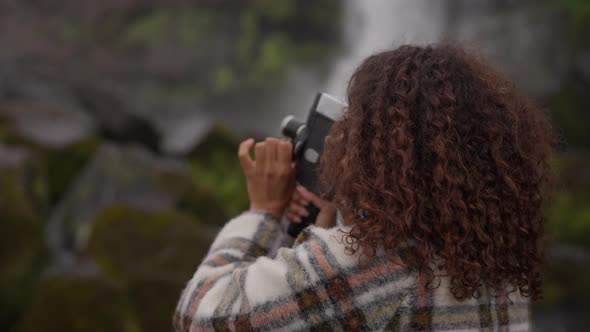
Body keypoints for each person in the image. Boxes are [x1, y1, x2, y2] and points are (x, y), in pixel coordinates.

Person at [173, 44, 553, 331]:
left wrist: (263, 211)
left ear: (378, 154)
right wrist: (321, 232)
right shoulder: (497, 266)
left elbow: (200, 313)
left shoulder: (374, 261)